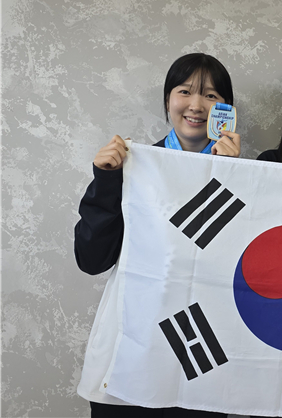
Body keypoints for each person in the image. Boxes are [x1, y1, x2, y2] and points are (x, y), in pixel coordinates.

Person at [75, 53, 240, 418]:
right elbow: (91, 259)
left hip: (203, 358)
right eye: (185, 91)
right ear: (168, 101)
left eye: (211, 95)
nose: (196, 105)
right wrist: (107, 181)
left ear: (227, 110)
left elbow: (242, 273)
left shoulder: (244, 178)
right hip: (132, 348)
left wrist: (232, 176)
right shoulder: (130, 167)